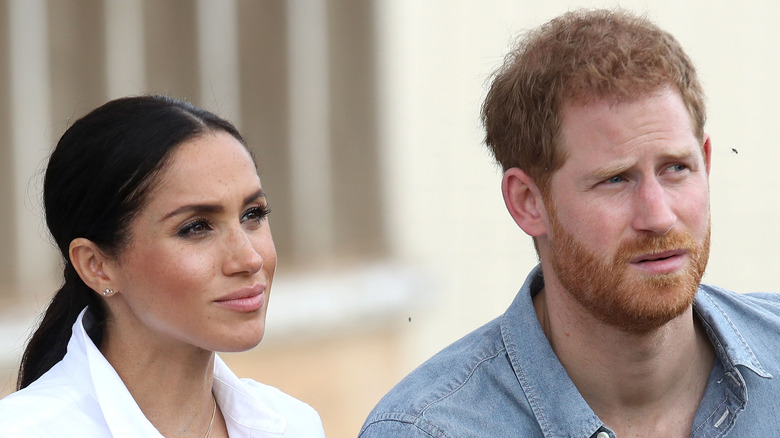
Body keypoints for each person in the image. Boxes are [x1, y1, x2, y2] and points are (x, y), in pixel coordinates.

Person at [360, 8, 780, 438]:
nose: (658, 215)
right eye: (615, 179)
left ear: (706, 163)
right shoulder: (426, 430)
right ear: (528, 202)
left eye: (676, 168)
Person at [0, 96, 326, 437]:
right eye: (196, 227)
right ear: (96, 265)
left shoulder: (293, 425)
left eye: (252, 215)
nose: (249, 259)